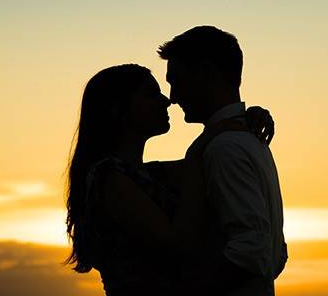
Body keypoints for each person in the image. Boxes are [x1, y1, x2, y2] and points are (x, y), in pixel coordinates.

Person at [65, 63, 274, 295]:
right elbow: (179, 244)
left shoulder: (148, 175)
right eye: (150, 93)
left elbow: (205, 169)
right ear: (117, 109)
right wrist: (196, 152)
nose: (166, 101)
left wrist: (246, 117)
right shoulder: (110, 180)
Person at [159, 25, 287, 295]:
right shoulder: (250, 141)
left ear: (205, 73)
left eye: (176, 81)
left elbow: (252, 250)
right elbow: (275, 254)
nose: (172, 97)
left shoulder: (224, 148)